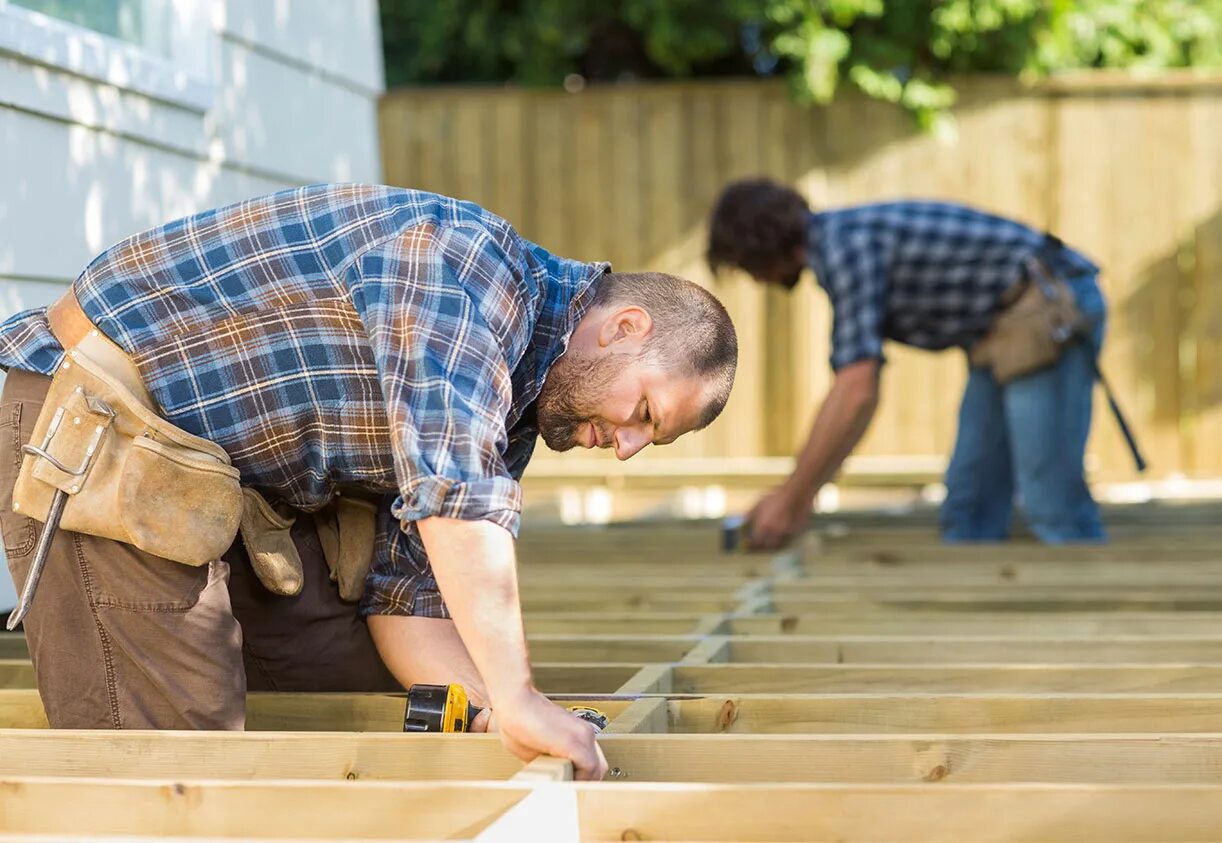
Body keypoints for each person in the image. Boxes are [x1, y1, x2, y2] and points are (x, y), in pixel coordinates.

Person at [0, 183, 738, 780]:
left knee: (343, 680)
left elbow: (405, 602)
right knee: (183, 770)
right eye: (644, 411)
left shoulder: (513, 410)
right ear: (624, 327)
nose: (629, 448)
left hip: (212, 487)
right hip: (101, 433)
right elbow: (456, 492)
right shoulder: (468, 268)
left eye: (652, 437)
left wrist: (495, 711)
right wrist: (516, 692)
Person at [707, 178, 1109, 550]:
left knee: (1050, 501)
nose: (757, 281)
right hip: (999, 328)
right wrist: (797, 497)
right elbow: (855, 396)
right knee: (970, 512)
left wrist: (792, 499)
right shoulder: (840, 243)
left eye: (747, 268)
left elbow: (856, 391)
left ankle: (1096, 612)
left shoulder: (846, 246)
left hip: (1049, 306)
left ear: (760, 248)